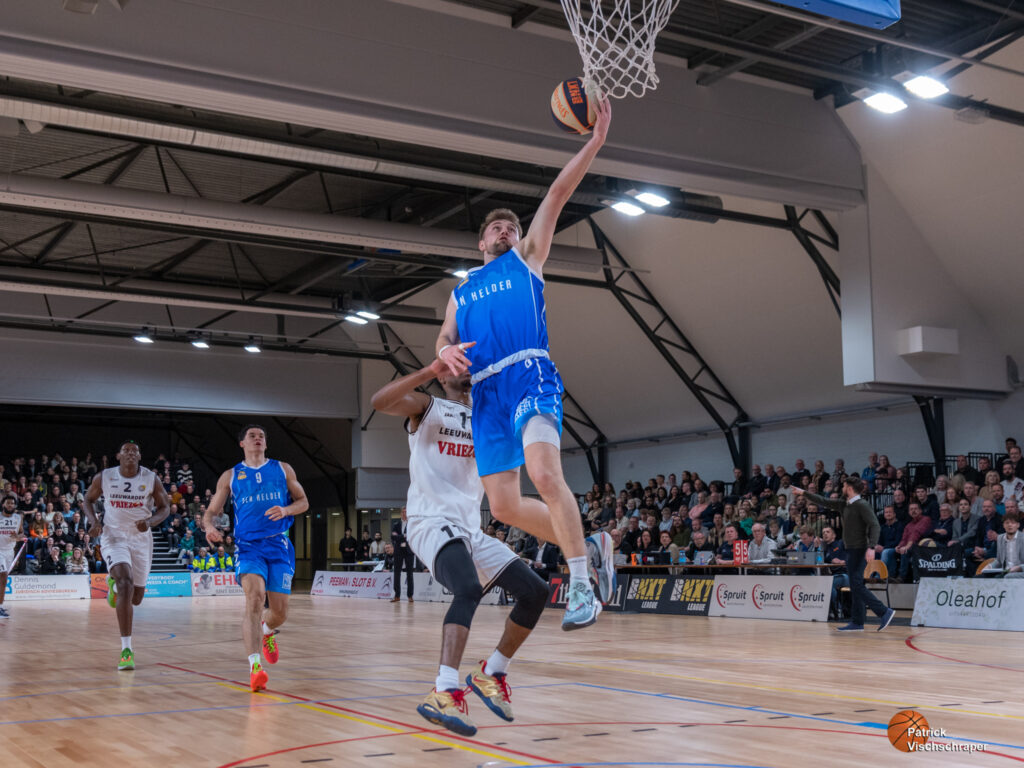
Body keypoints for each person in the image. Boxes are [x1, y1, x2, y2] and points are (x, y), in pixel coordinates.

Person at [434, 97, 614, 630]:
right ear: (480, 241)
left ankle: (581, 583)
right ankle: (589, 541)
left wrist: (595, 141)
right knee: (505, 508)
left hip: (530, 373)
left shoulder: (528, 257)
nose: (505, 230)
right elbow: (444, 339)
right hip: (486, 393)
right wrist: (445, 353)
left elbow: (558, 192)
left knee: (543, 473)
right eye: (496, 228)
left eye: (510, 226)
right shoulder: (462, 292)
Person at [370, 359, 551, 736]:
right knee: (467, 589)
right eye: (456, 365)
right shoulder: (428, 407)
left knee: (535, 591)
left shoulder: (489, 419)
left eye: (469, 366)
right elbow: (380, 401)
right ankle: (443, 690)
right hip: (429, 521)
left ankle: (491, 672)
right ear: (444, 375)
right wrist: (428, 371)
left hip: (470, 527)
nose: (465, 369)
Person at [204, 425, 309, 692]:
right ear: (242, 444)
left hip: (279, 546)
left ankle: (267, 630)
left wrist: (286, 510)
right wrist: (209, 527)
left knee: (280, 613)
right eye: (252, 436)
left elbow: (303, 501)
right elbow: (212, 511)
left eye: (261, 436)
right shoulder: (231, 476)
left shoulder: (283, 468)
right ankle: (255, 668)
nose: (258, 439)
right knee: (254, 597)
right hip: (249, 546)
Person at [83, 441, 170, 670]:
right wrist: (94, 521)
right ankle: (126, 650)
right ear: (118, 455)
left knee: (136, 597)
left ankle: (113, 587)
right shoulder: (105, 477)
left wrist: (150, 521)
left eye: (135, 451)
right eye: (126, 451)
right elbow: (88, 500)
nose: (131, 453)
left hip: (141, 538)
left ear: (140, 456)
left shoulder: (151, 478)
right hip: (114, 535)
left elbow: (165, 508)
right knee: (125, 583)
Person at [792, 478, 895, 632]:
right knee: (855, 585)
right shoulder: (844, 504)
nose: (842, 487)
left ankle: (884, 611)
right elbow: (823, 500)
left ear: (851, 488)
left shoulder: (862, 505)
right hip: (851, 549)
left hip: (860, 549)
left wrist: (872, 547)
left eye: (844, 485)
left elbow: (875, 525)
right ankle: (858, 622)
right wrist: (804, 493)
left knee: (857, 584)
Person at [0, 494, 26, 618]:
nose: (10, 505)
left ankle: (0, 606)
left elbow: (22, 533)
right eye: (8, 503)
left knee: (3, 581)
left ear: (15, 506)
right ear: (3, 505)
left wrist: (17, 537)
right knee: (3, 577)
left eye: (12, 503)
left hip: (9, 551)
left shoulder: (17, 518)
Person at [390, 508, 415, 603]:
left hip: (409, 551)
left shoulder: (412, 524)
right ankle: (397, 595)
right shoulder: (396, 524)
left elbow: (411, 536)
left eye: (406, 512)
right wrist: (404, 536)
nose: (404, 513)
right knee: (397, 573)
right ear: (400, 513)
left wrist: (400, 537)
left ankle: (410, 596)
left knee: (410, 574)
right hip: (398, 551)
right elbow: (393, 536)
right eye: (403, 512)